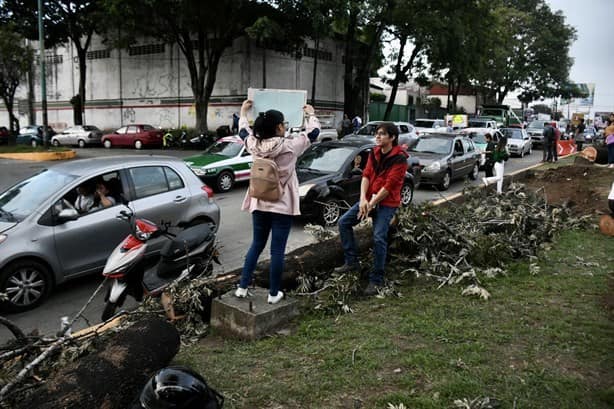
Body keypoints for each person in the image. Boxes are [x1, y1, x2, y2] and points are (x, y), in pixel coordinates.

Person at [235, 99, 320, 304]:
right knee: (277, 251)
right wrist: (310, 114)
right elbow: (314, 133)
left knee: (256, 244)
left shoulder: (254, 145)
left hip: (259, 201)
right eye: (283, 123)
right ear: (279, 127)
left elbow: (243, 132)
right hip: (281, 204)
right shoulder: (291, 145)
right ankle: (274, 293)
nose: (285, 126)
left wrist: (243, 112)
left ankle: (242, 287)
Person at [334, 122, 408, 296]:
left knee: (378, 237)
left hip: (386, 203)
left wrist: (372, 204)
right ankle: (351, 262)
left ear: (392, 137)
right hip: (369, 199)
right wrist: (362, 200)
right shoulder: (374, 153)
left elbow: (389, 186)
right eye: (377, 133)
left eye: (382, 134)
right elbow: (366, 175)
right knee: (344, 222)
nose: (378, 136)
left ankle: (376, 280)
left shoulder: (400, 159)